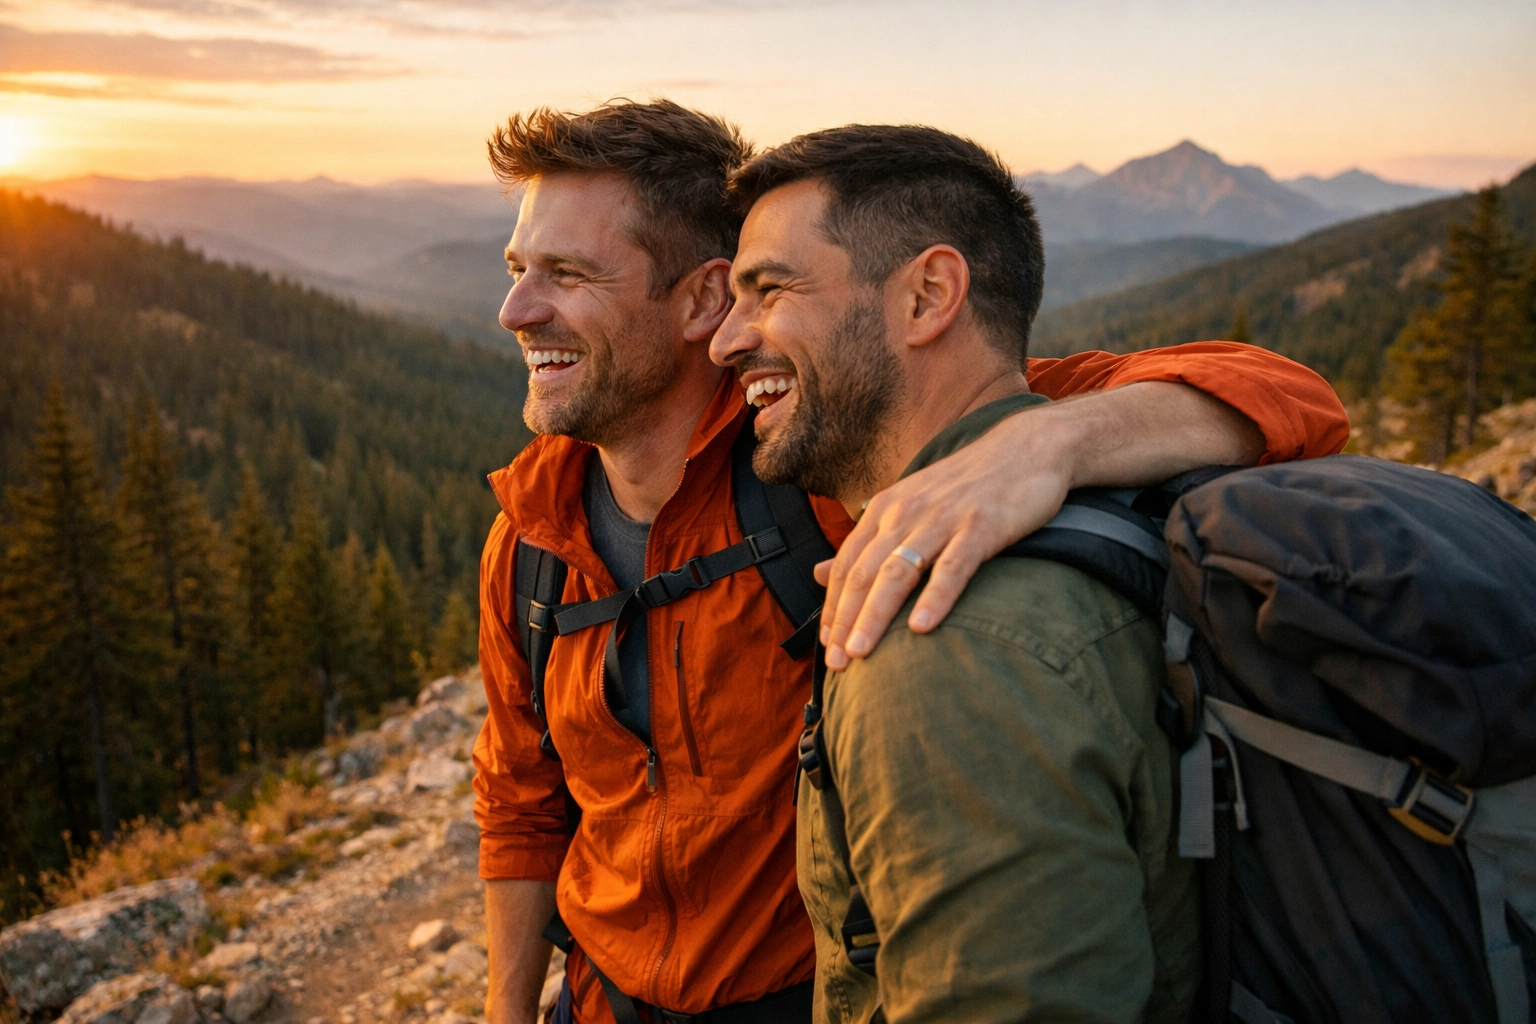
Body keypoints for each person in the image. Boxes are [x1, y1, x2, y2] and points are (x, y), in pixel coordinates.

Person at [474, 100, 1349, 1024]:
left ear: (701, 300)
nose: (515, 311)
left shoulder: (830, 462)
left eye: (568, 273)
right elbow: (521, 801)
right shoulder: (532, 539)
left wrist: (1047, 446)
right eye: (518, 269)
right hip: (600, 1002)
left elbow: (1287, 396)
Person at [713, 123, 1228, 1024]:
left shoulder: (943, 635)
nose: (725, 341)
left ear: (927, 297)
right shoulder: (1119, 487)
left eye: (770, 290)